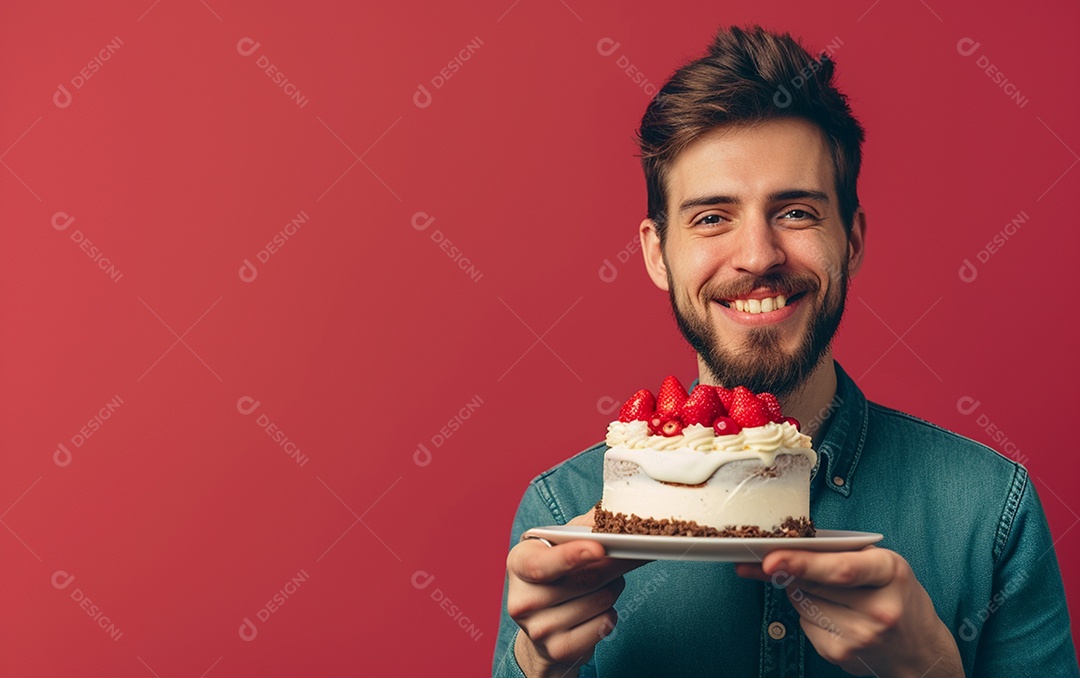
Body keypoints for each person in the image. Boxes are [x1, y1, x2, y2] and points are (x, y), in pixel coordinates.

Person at [493, 25, 1079, 677]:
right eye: (712, 217)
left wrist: (932, 668)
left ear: (851, 240)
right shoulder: (560, 515)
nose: (758, 256)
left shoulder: (989, 508)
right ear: (658, 254)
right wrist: (535, 666)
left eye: (796, 212)